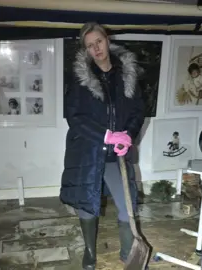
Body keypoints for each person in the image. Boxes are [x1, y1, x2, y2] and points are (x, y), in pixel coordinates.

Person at [60, 22, 145, 269]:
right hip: (87, 151)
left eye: (98, 41)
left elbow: (138, 110)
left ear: (107, 40)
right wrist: (106, 136)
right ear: (85, 50)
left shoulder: (126, 74)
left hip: (117, 154)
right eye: (89, 45)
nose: (95, 48)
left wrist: (128, 134)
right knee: (87, 204)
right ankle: (89, 252)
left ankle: (129, 252)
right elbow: (74, 118)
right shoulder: (80, 79)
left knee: (126, 203)